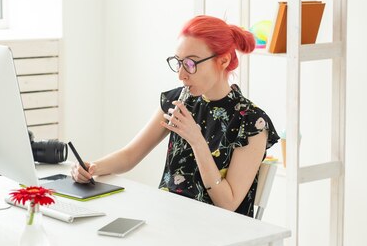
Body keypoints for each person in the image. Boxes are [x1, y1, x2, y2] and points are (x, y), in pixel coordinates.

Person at [71, 15, 279, 218]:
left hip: (218, 233)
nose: (181, 74)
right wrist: (92, 167)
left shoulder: (251, 122)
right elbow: (129, 156)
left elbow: (227, 203)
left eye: (191, 64)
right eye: (178, 62)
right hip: (169, 219)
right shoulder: (178, 100)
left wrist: (197, 141)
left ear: (223, 61)